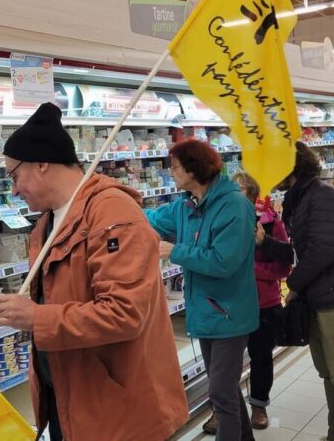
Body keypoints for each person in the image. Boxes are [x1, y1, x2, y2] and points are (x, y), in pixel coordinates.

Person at [0, 103, 189, 441]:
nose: (12, 189)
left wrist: (37, 318)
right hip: (72, 397)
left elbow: (124, 313)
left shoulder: (113, 214)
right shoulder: (48, 224)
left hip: (117, 411)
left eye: (13, 175)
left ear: (41, 164)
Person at [145, 139, 258, 441]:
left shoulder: (234, 206)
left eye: (176, 167)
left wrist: (175, 251)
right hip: (205, 311)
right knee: (227, 388)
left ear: (194, 169)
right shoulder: (187, 205)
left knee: (220, 395)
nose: (171, 172)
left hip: (229, 314)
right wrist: (116, 203)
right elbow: (153, 219)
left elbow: (224, 262)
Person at [257, 141, 334, 441]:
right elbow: (301, 252)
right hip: (320, 297)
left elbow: (321, 252)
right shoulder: (302, 197)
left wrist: (292, 287)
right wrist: (264, 243)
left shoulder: (322, 197)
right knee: (329, 375)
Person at [230, 172, 291, 430]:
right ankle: (223, 408)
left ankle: (258, 406)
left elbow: (284, 267)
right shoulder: (223, 223)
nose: (234, 195)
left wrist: (250, 270)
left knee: (261, 358)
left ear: (252, 196)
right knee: (226, 363)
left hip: (264, 304)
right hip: (229, 306)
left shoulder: (270, 225)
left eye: (240, 189)